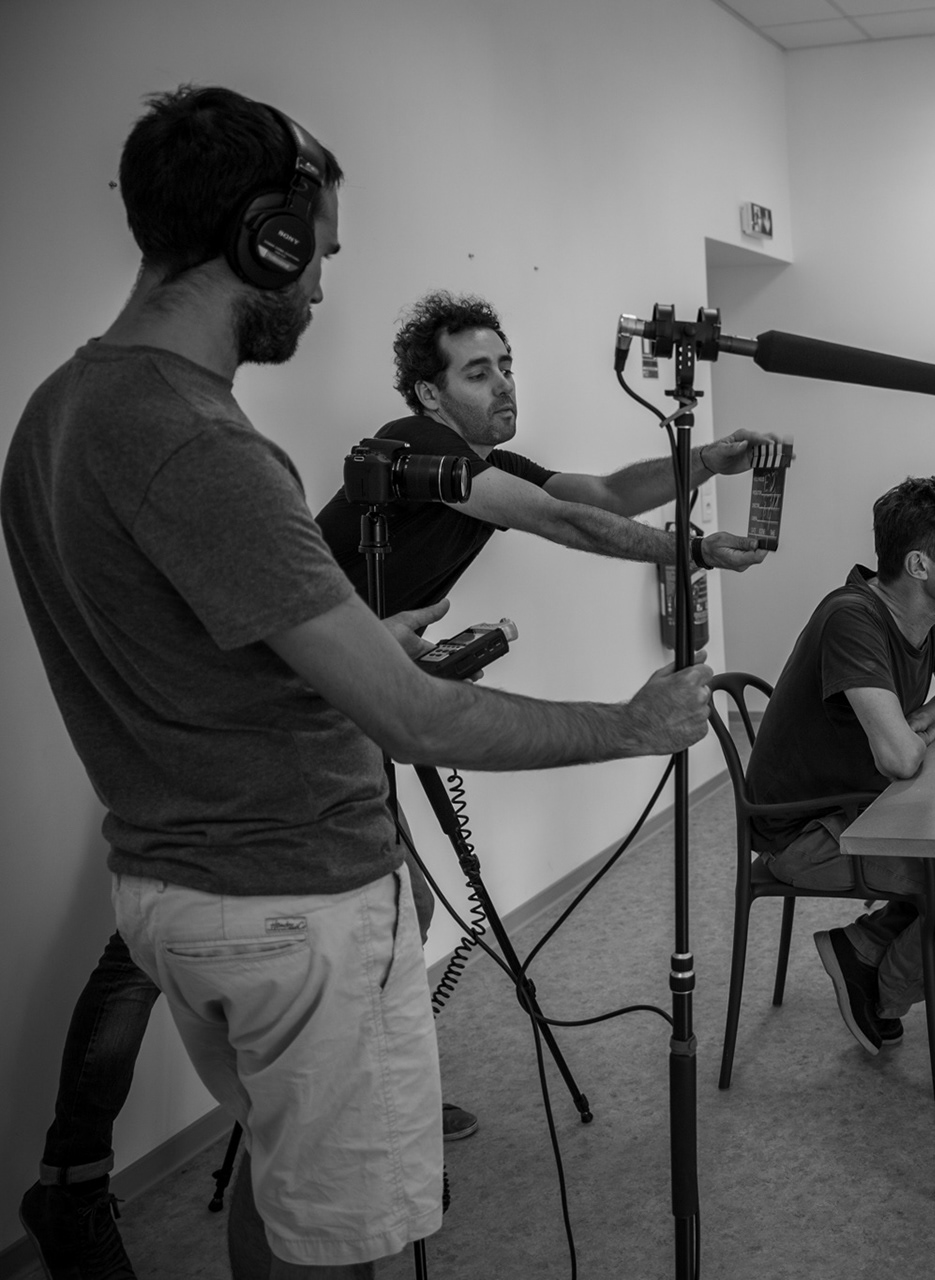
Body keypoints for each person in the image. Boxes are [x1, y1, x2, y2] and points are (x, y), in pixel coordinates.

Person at [4, 86, 711, 1279]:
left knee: (283, 1173)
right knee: (331, 1239)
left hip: (175, 881)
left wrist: (362, 638)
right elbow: (412, 713)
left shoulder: (55, 412)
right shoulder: (204, 441)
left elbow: (189, 646)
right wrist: (635, 722)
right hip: (295, 902)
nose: (323, 287)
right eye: (319, 252)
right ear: (266, 240)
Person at [746, 475, 935, 1053]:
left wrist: (918, 721)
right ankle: (882, 991)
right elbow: (900, 759)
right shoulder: (852, 618)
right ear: (919, 565)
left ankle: (863, 948)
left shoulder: (928, 609)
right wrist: (919, 732)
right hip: (808, 834)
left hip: (867, 809)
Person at [313, 289, 778, 608]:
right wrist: (696, 551)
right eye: (478, 375)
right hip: (297, 663)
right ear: (430, 395)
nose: (504, 385)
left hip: (355, 660)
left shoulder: (493, 464)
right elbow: (558, 518)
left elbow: (609, 495)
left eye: (506, 368)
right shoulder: (415, 440)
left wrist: (706, 461)